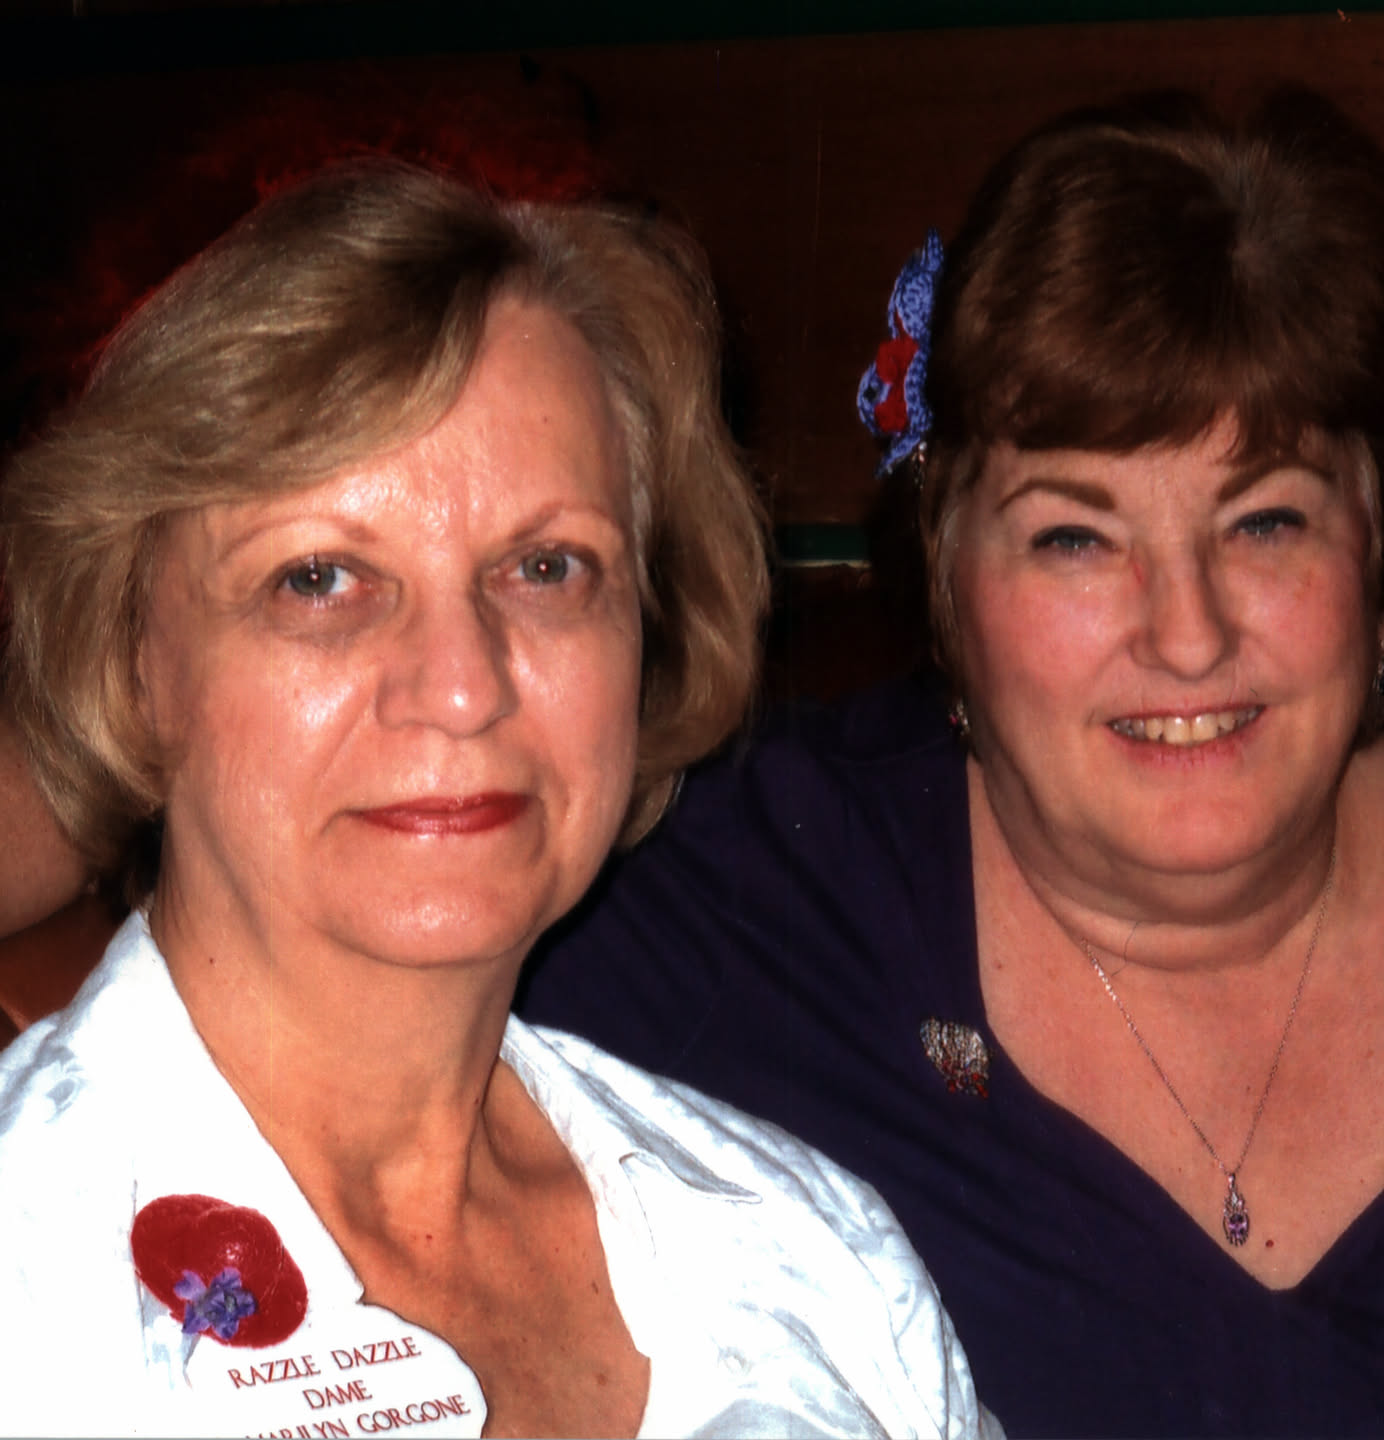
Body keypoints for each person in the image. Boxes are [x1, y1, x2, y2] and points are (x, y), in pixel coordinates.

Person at [521, 90, 1384, 1437]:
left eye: (1265, 521)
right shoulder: (700, 909)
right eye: (1074, 538)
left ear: (1379, 557)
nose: (1189, 633)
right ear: (943, 581)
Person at [0, 160, 993, 1439]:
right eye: (320, 578)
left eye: (546, 567)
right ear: (131, 660)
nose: (465, 688)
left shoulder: (814, 1251)